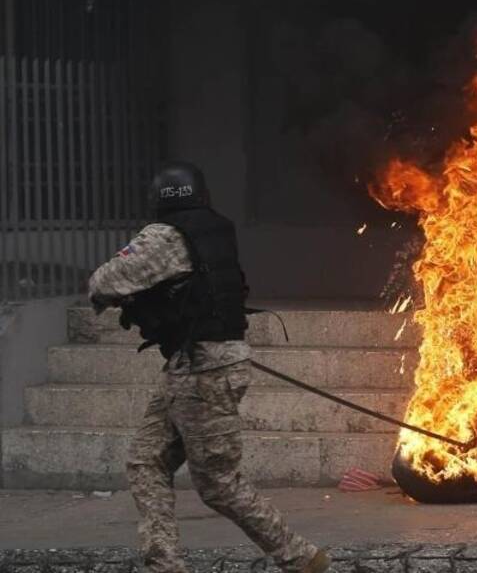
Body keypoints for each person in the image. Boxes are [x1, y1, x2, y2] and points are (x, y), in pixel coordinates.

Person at [88, 162, 328, 573]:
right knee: (146, 460)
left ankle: (301, 557)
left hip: (203, 370)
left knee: (219, 483)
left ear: (159, 198)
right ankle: (163, 563)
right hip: (195, 365)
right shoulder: (215, 229)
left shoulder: (164, 236)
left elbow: (104, 282)